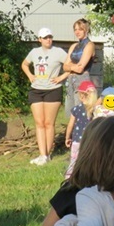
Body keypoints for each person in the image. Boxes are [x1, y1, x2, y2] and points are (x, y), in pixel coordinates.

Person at [21, 27, 70, 166]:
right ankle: (42, 154)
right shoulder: (34, 52)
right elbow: (24, 64)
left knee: (49, 123)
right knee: (39, 123)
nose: (48, 39)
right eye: (45, 37)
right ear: (40, 39)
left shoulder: (59, 52)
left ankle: (47, 154)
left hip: (53, 90)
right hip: (36, 90)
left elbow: (71, 66)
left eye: (50, 37)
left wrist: (61, 77)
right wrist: (30, 75)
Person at [64, 80, 98, 179]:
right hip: (91, 141)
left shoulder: (76, 109)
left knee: (74, 160)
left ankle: (69, 178)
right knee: (90, 160)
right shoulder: (96, 109)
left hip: (77, 141)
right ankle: (90, 177)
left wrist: (67, 137)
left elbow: (70, 125)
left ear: (81, 95)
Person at [63, 18, 96, 114]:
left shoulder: (89, 45)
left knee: (81, 112)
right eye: (75, 29)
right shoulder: (74, 46)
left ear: (86, 30)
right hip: (70, 80)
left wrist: (70, 66)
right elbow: (64, 66)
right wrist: (73, 67)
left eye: (80, 29)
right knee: (70, 112)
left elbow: (80, 68)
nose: (77, 32)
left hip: (82, 80)